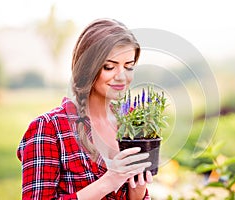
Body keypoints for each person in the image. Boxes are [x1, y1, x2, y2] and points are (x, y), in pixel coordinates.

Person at [17, 18, 153, 200]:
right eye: (109, 66)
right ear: (88, 67)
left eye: (129, 66)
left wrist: (138, 192)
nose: (122, 76)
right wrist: (109, 181)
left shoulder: (130, 125)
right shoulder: (49, 128)